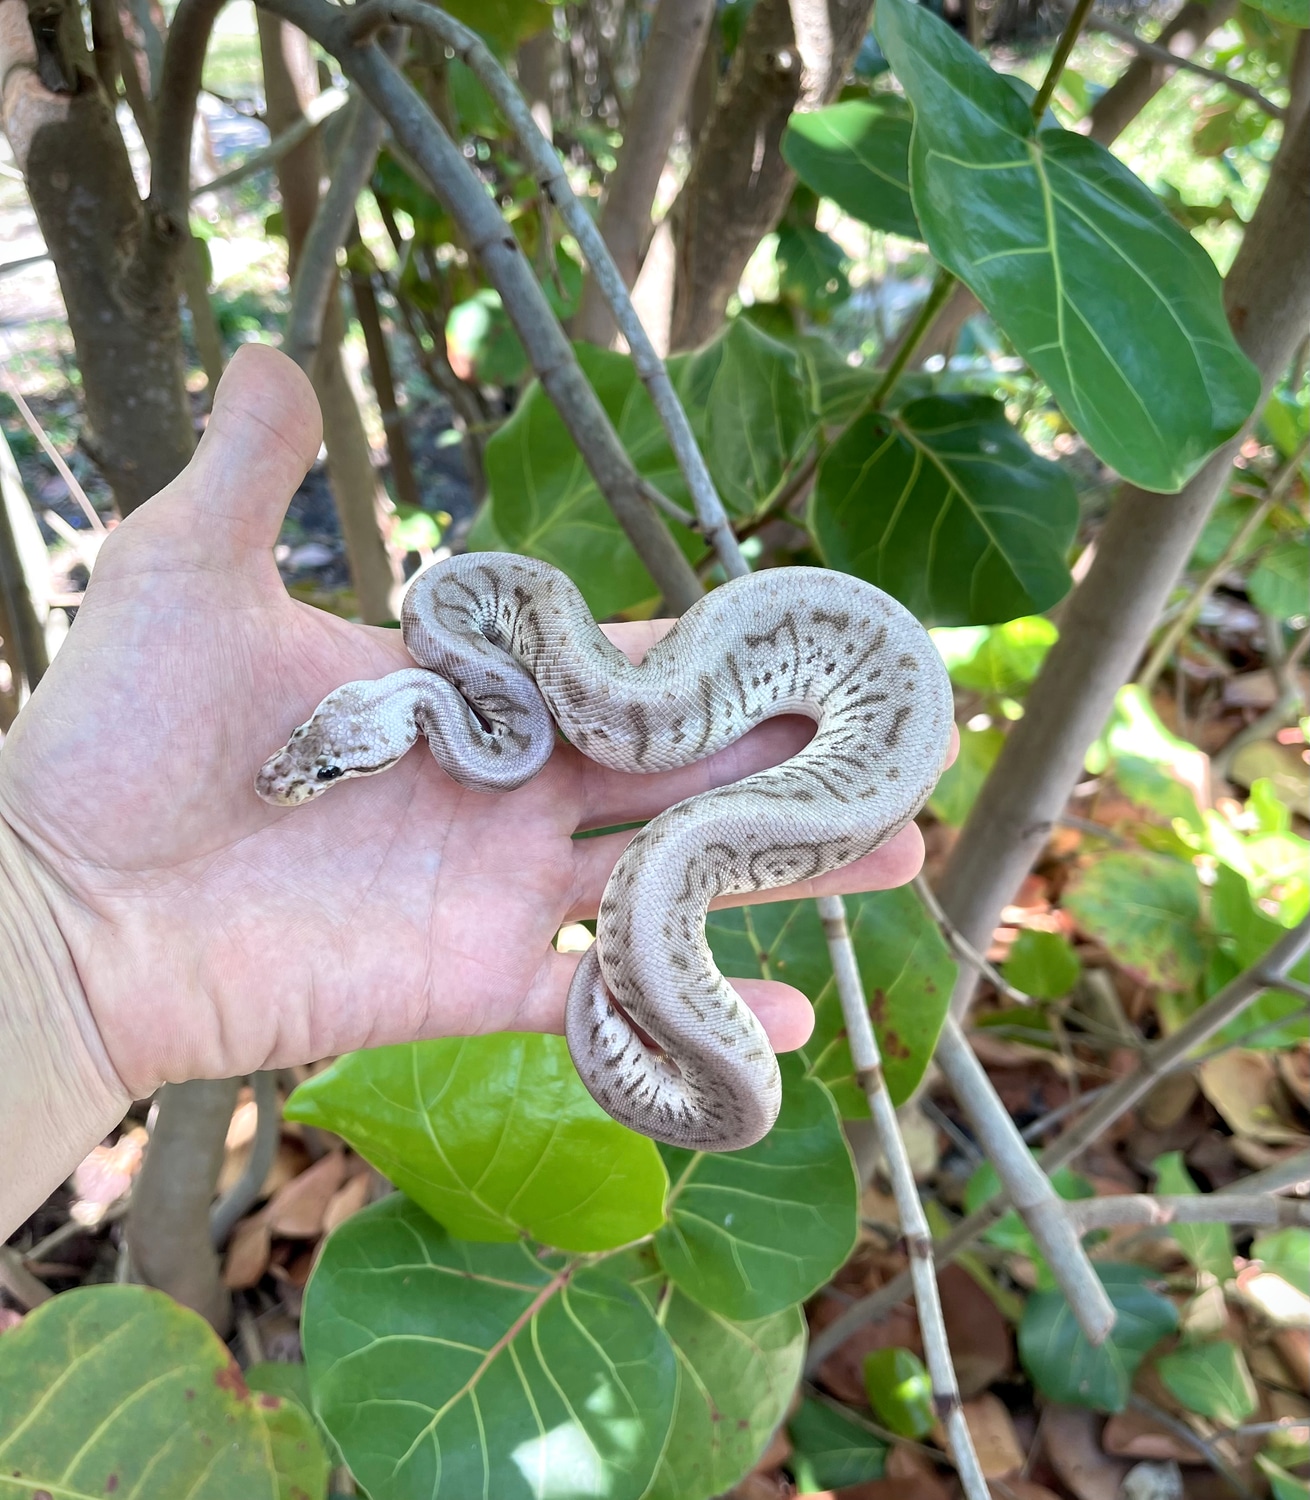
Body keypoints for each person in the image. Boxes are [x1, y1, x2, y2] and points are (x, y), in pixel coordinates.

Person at [0, 345, 938, 1237]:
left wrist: (57, 955)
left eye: (322, 763)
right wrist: (50, 927)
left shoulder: (470, 674)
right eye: (318, 758)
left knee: (701, 846)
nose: (305, 773)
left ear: (387, 730)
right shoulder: (452, 674)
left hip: (855, 683)